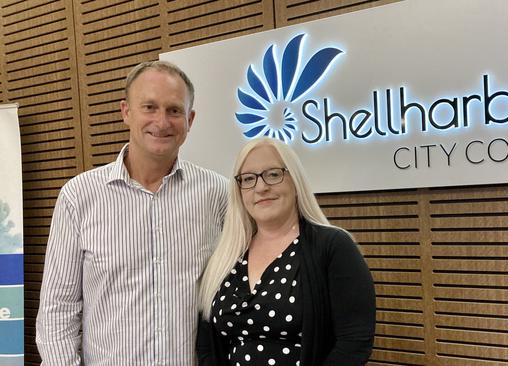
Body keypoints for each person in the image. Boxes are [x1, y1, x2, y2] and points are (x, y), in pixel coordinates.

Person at [36, 60, 228, 365]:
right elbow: (58, 309)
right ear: (126, 111)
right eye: (149, 107)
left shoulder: (218, 194)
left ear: (190, 119)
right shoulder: (79, 196)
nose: (162, 122)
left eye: (174, 110)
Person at [197, 137, 376, 365]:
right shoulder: (226, 255)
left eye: (273, 174)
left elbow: (354, 342)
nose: (261, 187)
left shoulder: (333, 246)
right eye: (249, 179)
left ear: (295, 181)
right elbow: (206, 344)